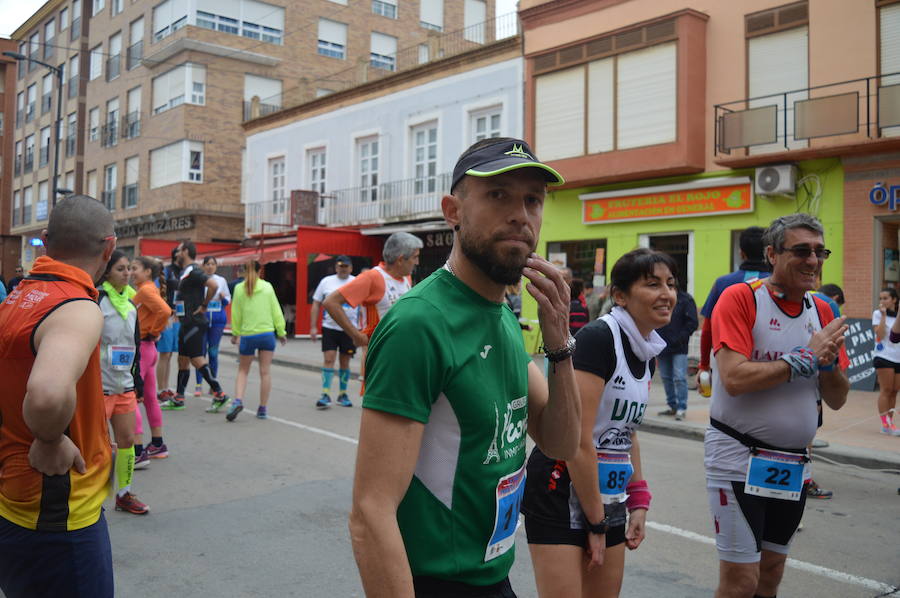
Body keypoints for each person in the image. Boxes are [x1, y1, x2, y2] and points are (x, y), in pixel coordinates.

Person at [349, 137, 581, 598]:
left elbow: (560, 442)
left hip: (494, 577)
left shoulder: (502, 315)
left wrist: (559, 346)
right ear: (452, 210)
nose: (521, 213)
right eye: (499, 195)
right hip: (435, 584)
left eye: (532, 200)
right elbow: (370, 512)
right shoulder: (419, 323)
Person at [705, 213, 849, 598]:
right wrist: (804, 357)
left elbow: (836, 398)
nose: (813, 261)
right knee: (740, 583)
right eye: (801, 251)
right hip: (737, 454)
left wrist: (829, 362)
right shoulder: (741, 297)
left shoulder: (823, 311)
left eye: (820, 252)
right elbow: (734, 379)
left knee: (770, 574)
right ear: (771, 254)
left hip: (791, 463)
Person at [523, 248, 674, 598]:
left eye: (670, 283)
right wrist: (596, 521)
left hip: (608, 494)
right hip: (559, 487)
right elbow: (576, 438)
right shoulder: (598, 339)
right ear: (620, 296)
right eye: (653, 284)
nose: (666, 294)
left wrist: (638, 498)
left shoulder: (646, 349)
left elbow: (625, 432)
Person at [0, 195, 116, 597]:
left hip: (16, 500)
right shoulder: (76, 307)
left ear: (46, 240)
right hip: (57, 514)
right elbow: (48, 395)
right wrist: (49, 438)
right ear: (109, 247)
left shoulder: (15, 298)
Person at [322, 232, 423, 401]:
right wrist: (356, 335)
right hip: (380, 360)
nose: (417, 262)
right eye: (415, 257)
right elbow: (331, 302)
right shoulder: (373, 277)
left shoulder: (406, 277)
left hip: (403, 358)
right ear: (400, 259)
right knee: (380, 413)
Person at [97, 250, 149, 515]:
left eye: (129, 268)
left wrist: (137, 380)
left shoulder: (130, 303)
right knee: (96, 446)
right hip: (99, 387)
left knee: (127, 439)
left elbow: (135, 345)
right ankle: (91, 499)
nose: (127, 273)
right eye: (120, 269)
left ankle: (123, 494)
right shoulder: (98, 300)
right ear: (107, 272)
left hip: (124, 385)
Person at [161, 241, 229, 411]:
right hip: (185, 322)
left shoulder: (195, 271)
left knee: (197, 359)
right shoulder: (186, 272)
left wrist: (204, 305)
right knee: (182, 359)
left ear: (185, 251)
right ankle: (179, 397)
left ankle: (219, 394)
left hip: (194, 323)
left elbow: (212, 285)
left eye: (179, 249)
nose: (176, 251)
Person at [698, 227, 771, 380]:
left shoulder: (722, 283)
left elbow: (707, 328)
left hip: (727, 366)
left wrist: (704, 365)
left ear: (741, 253)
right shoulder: (780, 284)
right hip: (771, 364)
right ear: (770, 252)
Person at [226, 261, 287, 421]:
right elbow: (276, 310)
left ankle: (238, 400)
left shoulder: (239, 289)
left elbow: (236, 313)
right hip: (267, 334)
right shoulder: (267, 287)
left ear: (244, 271)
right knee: (265, 372)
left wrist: (235, 333)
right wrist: (281, 331)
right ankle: (262, 408)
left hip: (248, 335)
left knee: (243, 371)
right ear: (260, 271)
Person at [131, 256, 173, 466]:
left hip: (143, 348)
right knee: (149, 398)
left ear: (147, 271)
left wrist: (153, 331)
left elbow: (165, 311)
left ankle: (138, 452)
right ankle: (157, 444)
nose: (130, 272)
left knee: (132, 398)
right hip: (148, 348)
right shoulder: (148, 289)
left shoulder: (146, 290)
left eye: (134, 268)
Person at [310, 255, 359, 409]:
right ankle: (325, 393)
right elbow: (316, 303)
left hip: (349, 329)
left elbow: (364, 305)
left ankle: (342, 394)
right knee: (329, 359)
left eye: (345, 266)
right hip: (330, 327)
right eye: (340, 266)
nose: (342, 269)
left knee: (345, 362)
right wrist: (313, 327)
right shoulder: (326, 281)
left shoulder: (356, 282)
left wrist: (363, 328)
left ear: (350, 268)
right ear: (336, 267)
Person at [656, 287, 699, 420]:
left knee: (679, 377)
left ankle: (681, 407)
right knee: (666, 377)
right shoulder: (659, 298)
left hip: (679, 346)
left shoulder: (686, 300)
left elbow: (693, 322)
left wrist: (681, 337)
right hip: (662, 345)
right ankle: (672, 406)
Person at [194, 256, 231, 397]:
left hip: (217, 320)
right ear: (203, 266)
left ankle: (213, 385)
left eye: (212, 264)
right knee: (200, 353)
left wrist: (223, 298)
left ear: (216, 266)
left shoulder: (221, 280)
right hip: (201, 320)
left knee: (213, 353)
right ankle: (198, 385)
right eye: (207, 264)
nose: (210, 266)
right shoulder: (199, 280)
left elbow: (228, 300)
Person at [873, 287, 900, 436]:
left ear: (894, 300)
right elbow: (880, 334)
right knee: (886, 390)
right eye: (881, 298)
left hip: (898, 356)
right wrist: (883, 316)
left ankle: (890, 422)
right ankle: (885, 424)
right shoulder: (877, 314)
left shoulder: (898, 315)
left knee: (895, 391)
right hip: (884, 356)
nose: (882, 301)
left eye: (886, 298)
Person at [156, 248, 181, 402]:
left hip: (178, 317)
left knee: (170, 354)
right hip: (166, 317)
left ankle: (166, 387)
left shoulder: (184, 271)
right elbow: (158, 295)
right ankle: (160, 390)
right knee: (164, 354)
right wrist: (164, 315)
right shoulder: (166, 272)